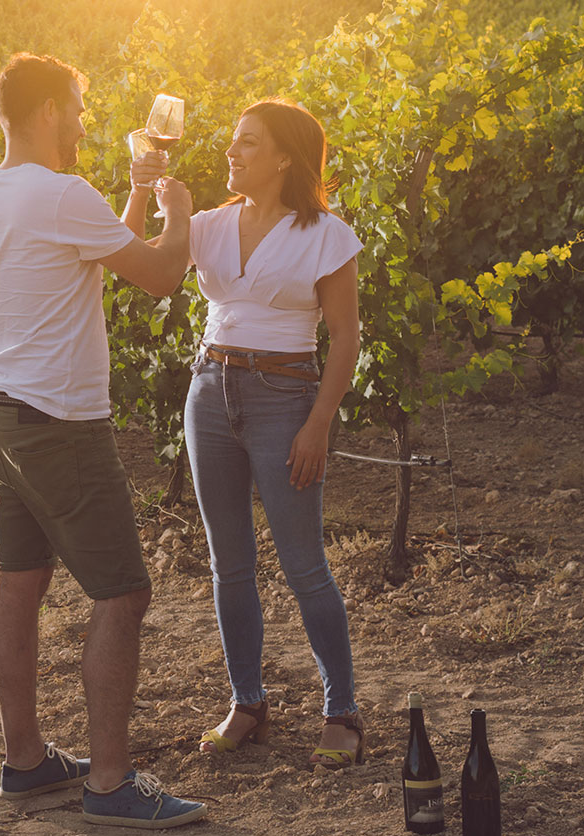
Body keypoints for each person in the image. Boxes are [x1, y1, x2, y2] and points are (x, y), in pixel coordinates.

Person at [0, 53, 206, 829]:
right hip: (60, 423)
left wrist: (132, 192)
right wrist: (181, 212)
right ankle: (111, 785)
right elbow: (158, 274)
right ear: (50, 111)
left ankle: (25, 763)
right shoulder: (59, 194)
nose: (87, 124)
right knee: (124, 593)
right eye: (80, 110)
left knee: (18, 585)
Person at [124, 99, 365, 767]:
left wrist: (319, 421)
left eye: (247, 143)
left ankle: (341, 708)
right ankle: (248, 702)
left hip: (285, 396)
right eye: (233, 141)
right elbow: (142, 269)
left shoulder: (325, 234)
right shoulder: (207, 224)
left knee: (303, 565)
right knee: (229, 563)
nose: (231, 152)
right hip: (209, 391)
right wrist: (144, 194)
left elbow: (345, 338)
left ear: (284, 156)